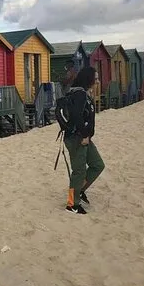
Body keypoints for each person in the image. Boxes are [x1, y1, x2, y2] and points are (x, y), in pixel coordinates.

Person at [64, 66, 105, 215]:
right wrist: (83, 135)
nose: (97, 81)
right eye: (95, 78)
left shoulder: (84, 93)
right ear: (88, 79)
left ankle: (79, 190)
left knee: (97, 164)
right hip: (77, 138)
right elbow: (76, 116)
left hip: (84, 137)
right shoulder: (80, 94)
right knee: (79, 171)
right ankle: (72, 204)